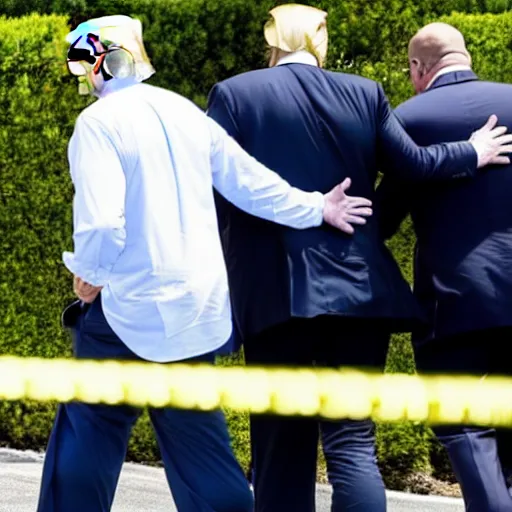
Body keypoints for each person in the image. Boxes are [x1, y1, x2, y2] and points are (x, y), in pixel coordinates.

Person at [36, 14, 381, 512]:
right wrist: (317, 207)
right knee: (202, 451)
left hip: (129, 307)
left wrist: (90, 274)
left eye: (80, 64)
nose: (80, 77)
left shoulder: (97, 123)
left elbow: (102, 225)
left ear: (97, 63)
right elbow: (250, 184)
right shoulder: (186, 112)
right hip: (195, 311)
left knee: (87, 433)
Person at [206, 5, 512, 512]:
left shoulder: (235, 94)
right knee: (352, 442)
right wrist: (471, 151)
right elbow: (411, 165)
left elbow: (213, 186)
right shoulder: (364, 92)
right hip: (358, 294)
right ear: (319, 41)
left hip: (275, 294)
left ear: (273, 41)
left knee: (282, 441)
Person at [376, 22, 512, 512]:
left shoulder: (408, 118)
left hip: (456, 300)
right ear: (467, 56)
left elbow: (384, 218)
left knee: (465, 425)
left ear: (418, 68)